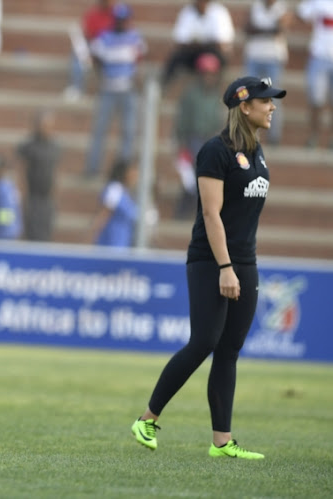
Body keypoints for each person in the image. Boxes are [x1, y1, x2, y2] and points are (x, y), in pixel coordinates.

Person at [130, 76, 286, 459]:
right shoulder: (216, 151)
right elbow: (212, 215)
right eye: (266, 101)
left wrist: (240, 265)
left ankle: (222, 442)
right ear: (244, 107)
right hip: (210, 261)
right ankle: (146, 419)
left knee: (229, 350)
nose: (272, 107)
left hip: (244, 262)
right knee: (204, 342)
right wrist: (225, 267)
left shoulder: (258, 151)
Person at [84, 3, 146, 177]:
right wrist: (100, 76)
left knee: (128, 132)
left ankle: (122, 172)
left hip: (128, 90)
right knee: (100, 130)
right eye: (120, 20)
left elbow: (139, 61)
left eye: (125, 19)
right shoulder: (104, 37)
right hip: (108, 89)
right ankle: (92, 168)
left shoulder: (135, 37)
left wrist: (137, 80)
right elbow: (94, 58)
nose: (123, 23)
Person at [173, 53, 225, 219]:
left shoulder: (215, 95)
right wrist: (181, 142)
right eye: (206, 73)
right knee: (194, 175)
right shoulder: (191, 94)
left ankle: (200, 210)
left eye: (212, 74)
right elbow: (183, 119)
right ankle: (185, 209)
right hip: (194, 138)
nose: (209, 77)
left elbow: (217, 119)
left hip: (210, 138)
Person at [243, 0, 290, 145]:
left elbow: (280, 29)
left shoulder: (282, 8)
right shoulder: (255, 6)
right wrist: (269, 29)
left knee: (273, 98)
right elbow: (247, 28)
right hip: (254, 57)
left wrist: (260, 30)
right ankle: (248, 134)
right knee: (249, 97)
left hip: (273, 59)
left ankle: (273, 137)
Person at [161, 0, 235, 87]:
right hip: (193, 52)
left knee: (220, 56)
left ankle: (217, 89)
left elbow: (222, 43)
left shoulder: (219, 12)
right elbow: (180, 41)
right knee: (176, 57)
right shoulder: (187, 12)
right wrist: (202, 42)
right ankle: (162, 87)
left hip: (213, 52)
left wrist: (198, 42)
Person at [16, 109, 62, 241]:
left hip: (47, 198)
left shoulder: (55, 147)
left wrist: (56, 196)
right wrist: (21, 195)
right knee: (32, 232)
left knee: (46, 232)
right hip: (33, 196)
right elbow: (21, 171)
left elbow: (56, 173)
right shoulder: (28, 146)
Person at [296, 0, 333, 149]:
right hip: (319, 57)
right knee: (316, 101)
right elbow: (301, 13)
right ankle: (314, 137)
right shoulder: (319, 2)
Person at [62, 0, 114, 101]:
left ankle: (109, 92)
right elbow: (87, 34)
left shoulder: (118, 15)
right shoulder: (93, 14)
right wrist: (91, 52)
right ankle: (77, 88)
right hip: (94, 46)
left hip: (111, 48)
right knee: (78, 55)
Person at [88, 158, 138, 248]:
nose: (135, 176)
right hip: (110, 243)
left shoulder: (126, 193)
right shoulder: (115, 189)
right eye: (132, 172)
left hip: (122, 243)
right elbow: (104, 214)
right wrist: (90, 237)